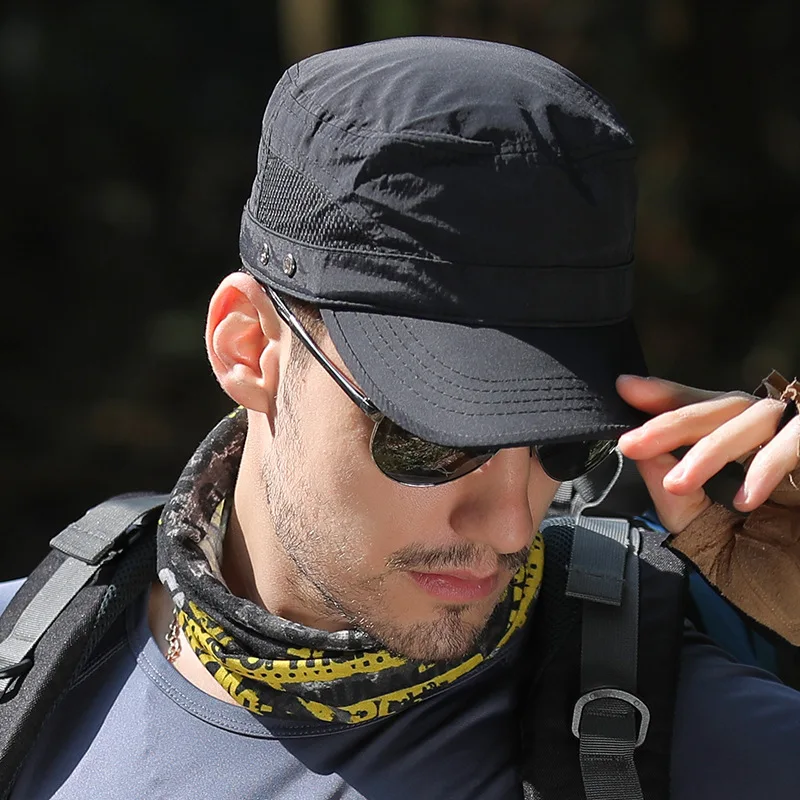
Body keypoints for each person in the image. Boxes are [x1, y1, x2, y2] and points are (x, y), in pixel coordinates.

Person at [1, 36, 799, 800]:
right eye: (431, 439)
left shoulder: (700, 742)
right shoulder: (24, 670)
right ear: (248, 348)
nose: (513, 524)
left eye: (567, 442)